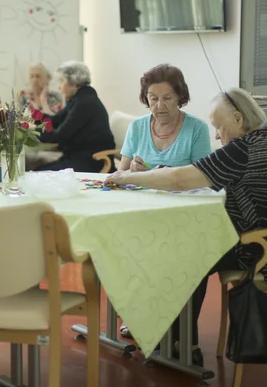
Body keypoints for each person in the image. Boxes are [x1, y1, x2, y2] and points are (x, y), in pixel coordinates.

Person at [104, 88, 267, 366]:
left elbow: (181, 179)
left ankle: (179, 344)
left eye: (219, 127)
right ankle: (174, 337)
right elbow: (200, 172)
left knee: (188, 257)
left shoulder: (242, 151)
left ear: (238, 119)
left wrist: (126, 177)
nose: (216, 135)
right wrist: (153, 175)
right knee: (189, 252)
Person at [116, 63, 212, 339]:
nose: (159, 105)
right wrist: (132, 171)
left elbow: (202, 179)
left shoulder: (196, 129)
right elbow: (121, 171)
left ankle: (167, 322)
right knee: (119, 247)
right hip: (140, 212)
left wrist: (155, 176)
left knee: (165, 252)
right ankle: (136, 313)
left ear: (180, 97)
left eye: (167, 98)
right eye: (153, 98)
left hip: (181, 217)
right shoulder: (137, 127)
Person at [33, 61, 115, 173]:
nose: (59, 87)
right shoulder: (79, 99)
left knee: (38, 174)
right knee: (38, 171)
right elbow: (55, 120)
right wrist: (33, 118)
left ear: (74, 82)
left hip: (91, 161)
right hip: (79, 157)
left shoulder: (85, 103)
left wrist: (33, 131)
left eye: (61, 81)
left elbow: (60, 136)